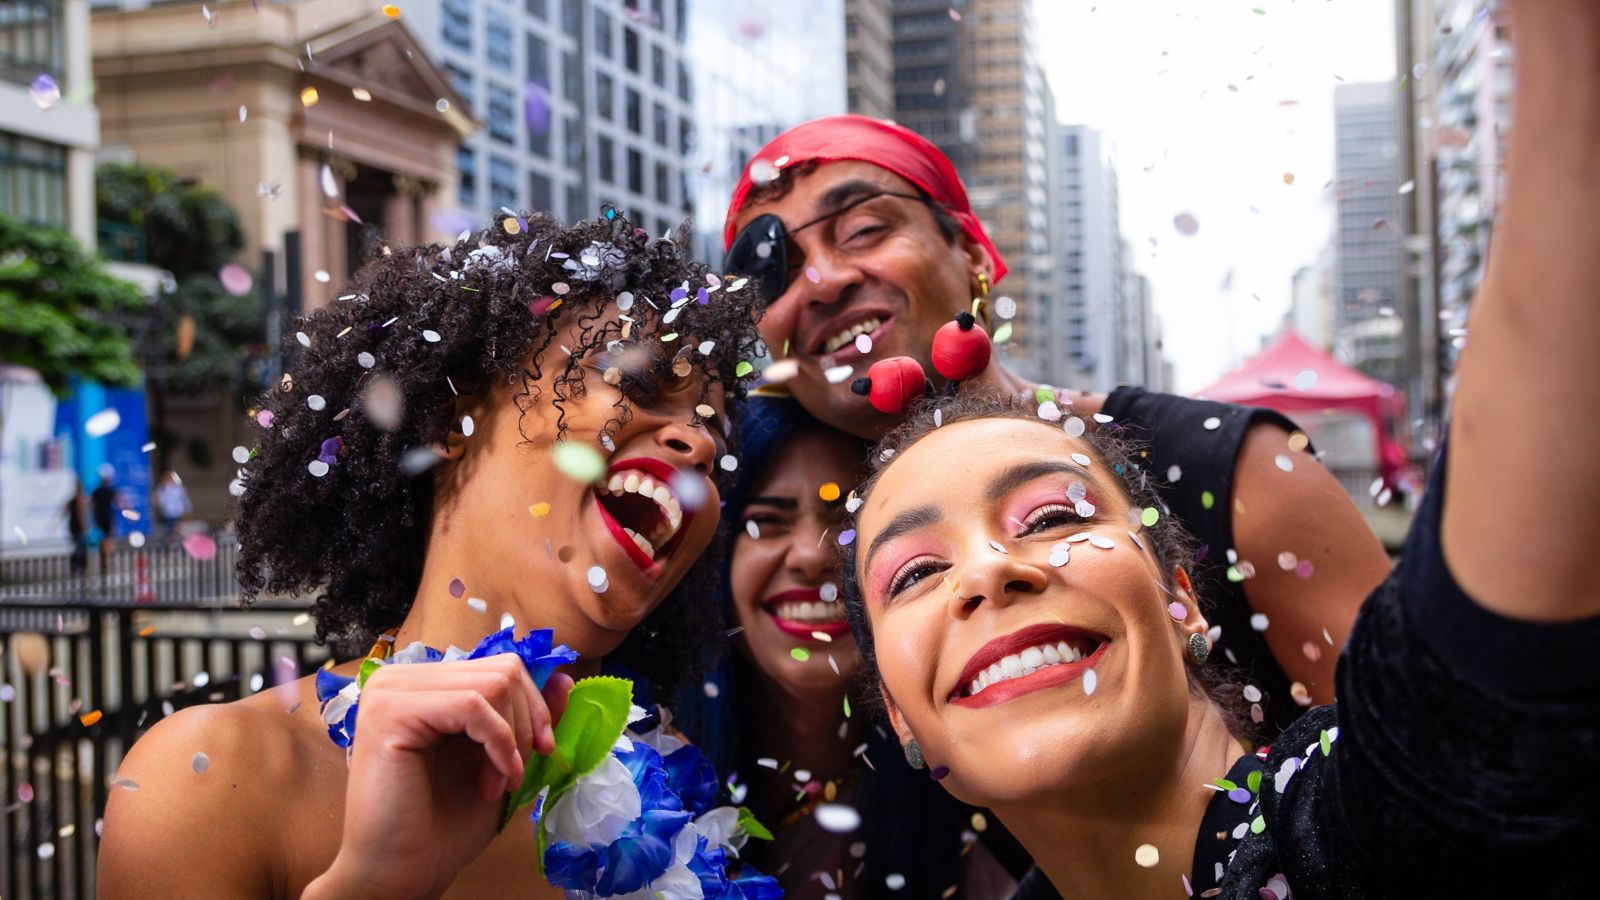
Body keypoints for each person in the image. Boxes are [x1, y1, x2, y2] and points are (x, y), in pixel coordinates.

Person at [839, 4, 1600, 893]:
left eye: (1048, 516)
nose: (986, 574)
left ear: (1183, 600)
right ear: (899, 717)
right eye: (916, 573)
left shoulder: (1362, 819)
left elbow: (1479, 659)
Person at [97, 211, 766, 898]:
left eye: (713, 427)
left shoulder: (675, 791)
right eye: (638, 383)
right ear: (456, 420)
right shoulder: (212, 777)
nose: (701, 445)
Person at [722, 115, 1392, 736]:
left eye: (866, 230)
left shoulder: (1230, 466)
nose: (822, 280)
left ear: (972, 254)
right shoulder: (824, 545)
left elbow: (1419, 767)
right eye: (770, 272)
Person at [678, 396, 1019, 898]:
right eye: (768, 521)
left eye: (846, 524)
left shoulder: (994, 781)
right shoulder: (632, 767)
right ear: (716, 558)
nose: (809, 557)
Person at [90, 464, 118, 575]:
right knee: (109, 539)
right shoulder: (110, 491)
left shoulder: (96, 491)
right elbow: (119, 501)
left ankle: (104, 561)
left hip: (99, 518)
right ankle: (107, 560)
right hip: (108, 517)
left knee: (103, 540)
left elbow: (92, 506)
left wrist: (94, 519)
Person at [153, 470, 191, 545]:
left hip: (177, 511)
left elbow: (184, 498)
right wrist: (158, 504)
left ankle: (176, 544)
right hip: (167, 512)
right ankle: (165, 543)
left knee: (176, 528)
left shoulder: (179, 488)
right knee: (168, 529)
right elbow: (159, 499)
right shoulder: (162, 488)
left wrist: (187, 508)